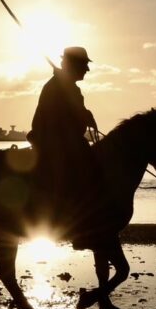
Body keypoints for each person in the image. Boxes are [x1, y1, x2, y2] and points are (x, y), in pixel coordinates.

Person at [27, 46, 100, 241]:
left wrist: (85, 114)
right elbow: (59, 119)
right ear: (73, 65)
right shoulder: (56, 87)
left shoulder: (69, 87)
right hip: (53, 142)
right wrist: (81, 114)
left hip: (67, 141)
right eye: (84, 65)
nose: (87, 70)